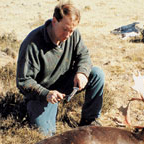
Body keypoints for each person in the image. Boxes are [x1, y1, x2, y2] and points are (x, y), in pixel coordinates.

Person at [16, 2, 105, 136]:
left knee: (96, 74)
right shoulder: (32, 44)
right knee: (46, 136)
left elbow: (83, 55)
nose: (69, 35)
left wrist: (82, 72)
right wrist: (46, 93)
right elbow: (23, 81)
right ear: (54, 21)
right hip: (43, 94)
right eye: (65, 29)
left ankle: (89, 121)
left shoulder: (73, 34)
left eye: (72, 31)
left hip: (65, 83)